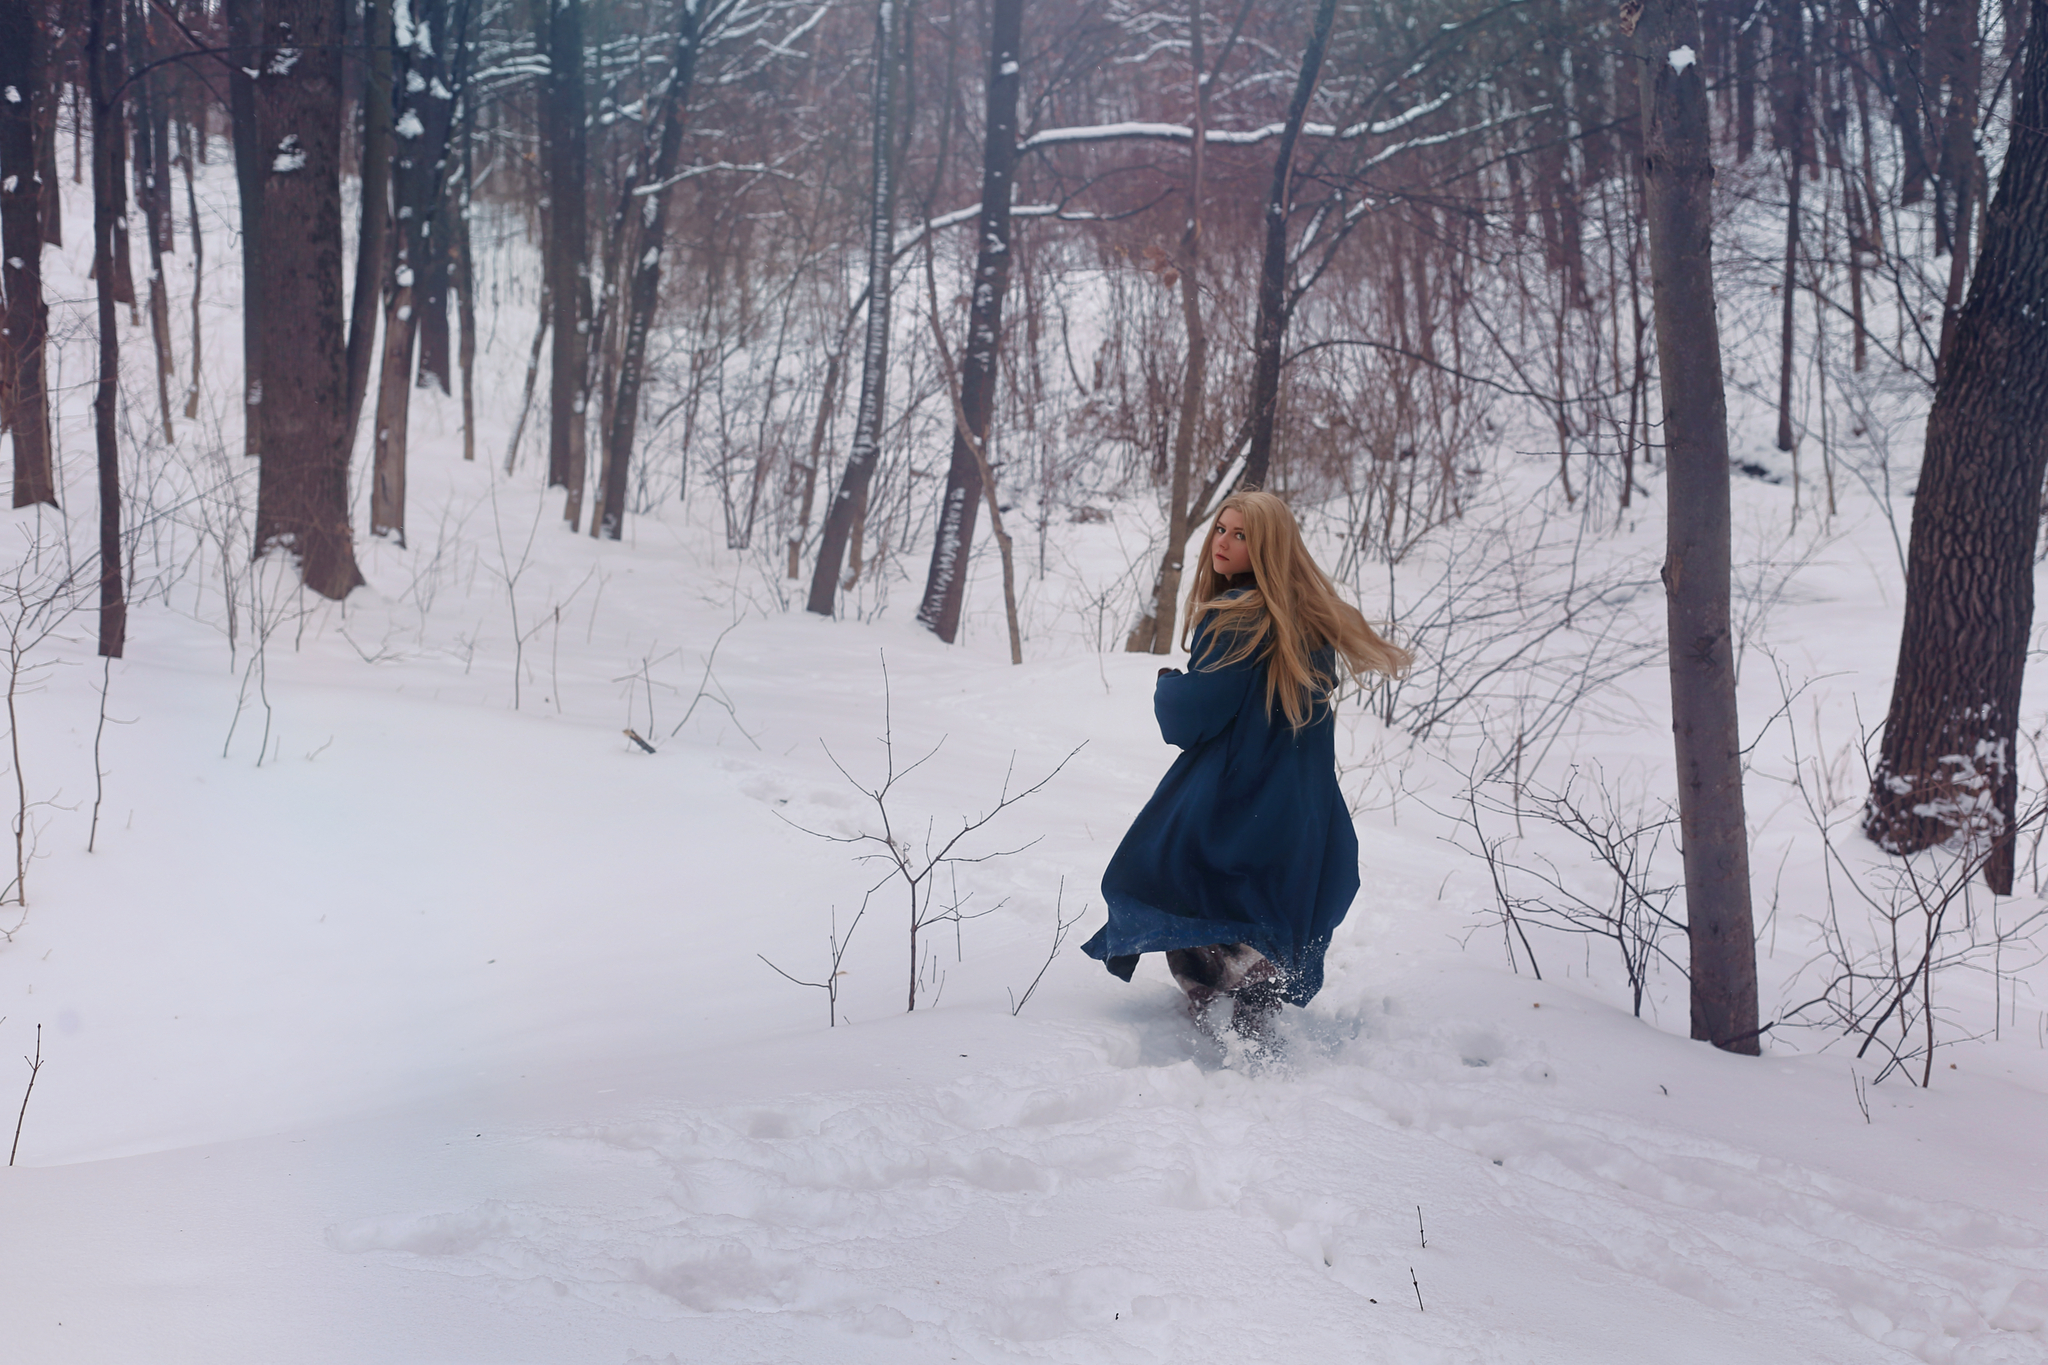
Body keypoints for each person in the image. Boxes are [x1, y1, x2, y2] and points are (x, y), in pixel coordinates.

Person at [1082, 490, 1411, 1043]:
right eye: (1222, 530)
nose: (1225, 544)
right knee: (1253, 894)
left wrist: (1169, 688)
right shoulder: (1306, 619)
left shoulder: (1238, 616)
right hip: (1299, 797)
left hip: (1237, 785)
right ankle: (1249, 997)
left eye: (1242, 536)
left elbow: (1196, 715)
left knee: (1163, 874)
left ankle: (1218, 1006)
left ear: (1268, 550)